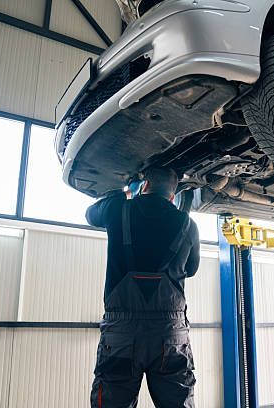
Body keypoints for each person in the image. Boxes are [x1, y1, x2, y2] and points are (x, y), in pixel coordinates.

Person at [86, 167, 200, 408]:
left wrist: (120, 194)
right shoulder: (188, 225)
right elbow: (191, 269)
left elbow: (90, 215)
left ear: (144, 185)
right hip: (170, 332)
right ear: (172, 196)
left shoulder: (118, 209)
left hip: (122, 331)